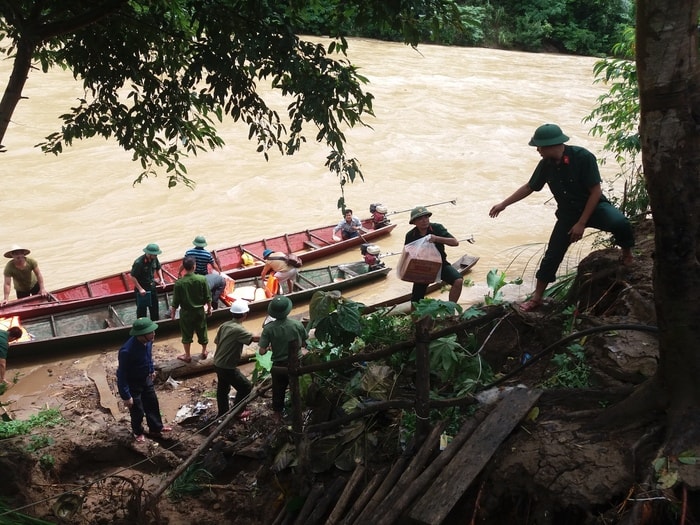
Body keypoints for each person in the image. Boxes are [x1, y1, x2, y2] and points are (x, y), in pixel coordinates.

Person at [489, 123, 635, 312]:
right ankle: (537, 298)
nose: (538, 151)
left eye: (540, 147)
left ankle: (627, 254)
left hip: (594, 206)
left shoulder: (583, 158)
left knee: (620, 222)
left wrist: (582, 223)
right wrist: (504, 204)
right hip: (568, 214)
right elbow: (529, 187)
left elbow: (595, 191)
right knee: (552, 255)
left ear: (552, 145)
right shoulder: (546, 165)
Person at [116, 318, 172, 442]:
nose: (154, 334)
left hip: (146, 378)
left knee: (152, 403)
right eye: (151, 332)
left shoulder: (148, 342)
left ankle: (156, 428)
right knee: (137, 410)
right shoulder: (126, 351)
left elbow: (148, 357)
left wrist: (151, 370)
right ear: (141, 335)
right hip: (133, 383)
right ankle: (137, 431)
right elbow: (121, 374)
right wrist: (126, 395)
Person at [258, 295, 307, 420]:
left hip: (279, 365)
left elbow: (262, 351)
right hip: (296, 361)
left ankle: (277, 416)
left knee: (278, 391)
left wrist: (269, 347)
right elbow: (304, 342)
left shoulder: (268, 329)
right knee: (297, 388)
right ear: (288, 310)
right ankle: (299, 412)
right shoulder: (297, 324)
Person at [405, 206, 463, 304]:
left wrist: (437, 239)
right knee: (416, 298)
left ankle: (450, 309)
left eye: (426, 217)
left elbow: (455, 242)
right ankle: (416, 319)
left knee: (458, 281)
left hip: (441, 264)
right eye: (420, 219)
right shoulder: (410, 235)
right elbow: (407, 255)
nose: (424, 220)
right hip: (422, 269)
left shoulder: (437, 228)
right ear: (414, 222)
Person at [213, 300, 260, 419]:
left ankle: (222, 412)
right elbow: (253, 338)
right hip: (227, 366)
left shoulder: (224, 325)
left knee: (223, 389)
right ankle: (238, 411)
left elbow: (217, 342)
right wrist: (269, 336)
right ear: (245, 314)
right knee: (246, 386)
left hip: (218, 363)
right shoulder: (239, 330)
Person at [171, 256, 212, 363]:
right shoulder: (202, 279)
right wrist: (209, 309)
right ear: (194, 267)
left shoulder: (179, 283)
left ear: (183, 267)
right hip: (199, 311)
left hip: (186, 313)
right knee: (202, 330)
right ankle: (204, 351)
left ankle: (187, 355)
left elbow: (175, 301)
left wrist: (173, 314)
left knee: (186, 333)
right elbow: (208, 296)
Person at [130, 243, 165, 321]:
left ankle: (155, 325)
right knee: (141, 311)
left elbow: (158, 268)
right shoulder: (139, 263)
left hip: (152, 287)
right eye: (154, 255)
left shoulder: (154, 258)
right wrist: (140, 289)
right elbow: (132, 276)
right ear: (149, 254)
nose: (156, 256)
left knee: (155, 309)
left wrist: (161, 279)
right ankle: (142, 327)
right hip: (142, 288)